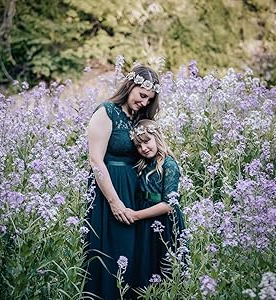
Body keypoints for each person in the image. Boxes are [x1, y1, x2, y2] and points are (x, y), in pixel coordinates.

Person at [84, 66, 161, 299]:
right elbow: (96, 160)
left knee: (133, 255)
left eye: (149, 99)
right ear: (130, 87)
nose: (145, 102)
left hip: (134, 192)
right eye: (142, 95)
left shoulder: (137, 118)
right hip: (110, 192)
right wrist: (115, 202)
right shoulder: (106, 112)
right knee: (111, 253)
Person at [127, 119, 186, 289]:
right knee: (145, 263)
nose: (144, 148)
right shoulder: (142, 164)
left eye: (147, 141)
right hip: (144, 220)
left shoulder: (169, 164)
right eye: (138, 146)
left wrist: (136, 215)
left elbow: (169, 204)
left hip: (163, 222)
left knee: (163, 266)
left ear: (157, 137)